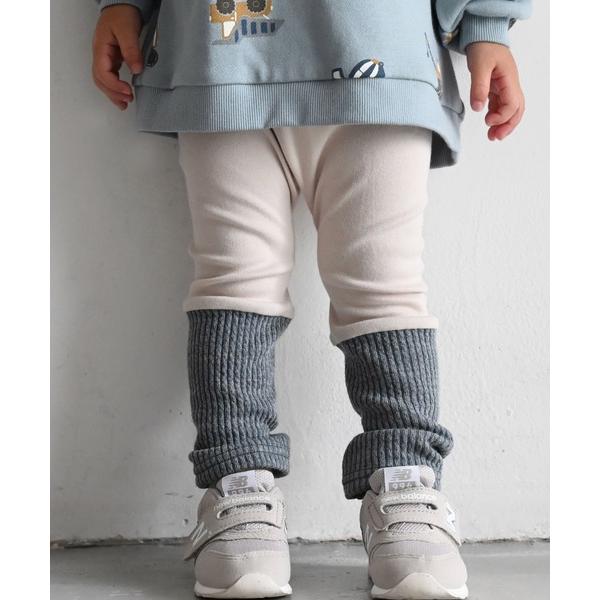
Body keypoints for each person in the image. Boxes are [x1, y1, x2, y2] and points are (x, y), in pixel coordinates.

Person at [92, 1, 531, 598]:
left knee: (381, 284)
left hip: (380, 52)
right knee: (234, 282)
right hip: (219, 62)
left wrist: (485, 24)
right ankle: (238, 486)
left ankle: (406, 480)